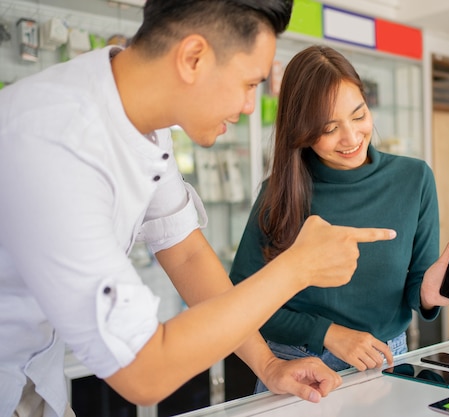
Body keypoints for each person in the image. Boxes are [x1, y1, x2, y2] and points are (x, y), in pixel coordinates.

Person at [0, 2, 398, 416]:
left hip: (36, 382)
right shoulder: (54, 145)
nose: (250, 106)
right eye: (248, 84)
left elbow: (186, 251)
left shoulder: (142, 125)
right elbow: (144, 373)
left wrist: (269, 363)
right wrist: (297, 268)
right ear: (193, 58)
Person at [229, 45, 449, 392]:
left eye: (358, 115)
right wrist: (327, 334)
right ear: (301, 130)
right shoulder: (279, 194)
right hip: (297, 367)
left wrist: (429, 290)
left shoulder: (414, 179)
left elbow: (415, 288)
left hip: (385, 360)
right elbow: (241, 303)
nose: (351, 138)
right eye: (329, 127)